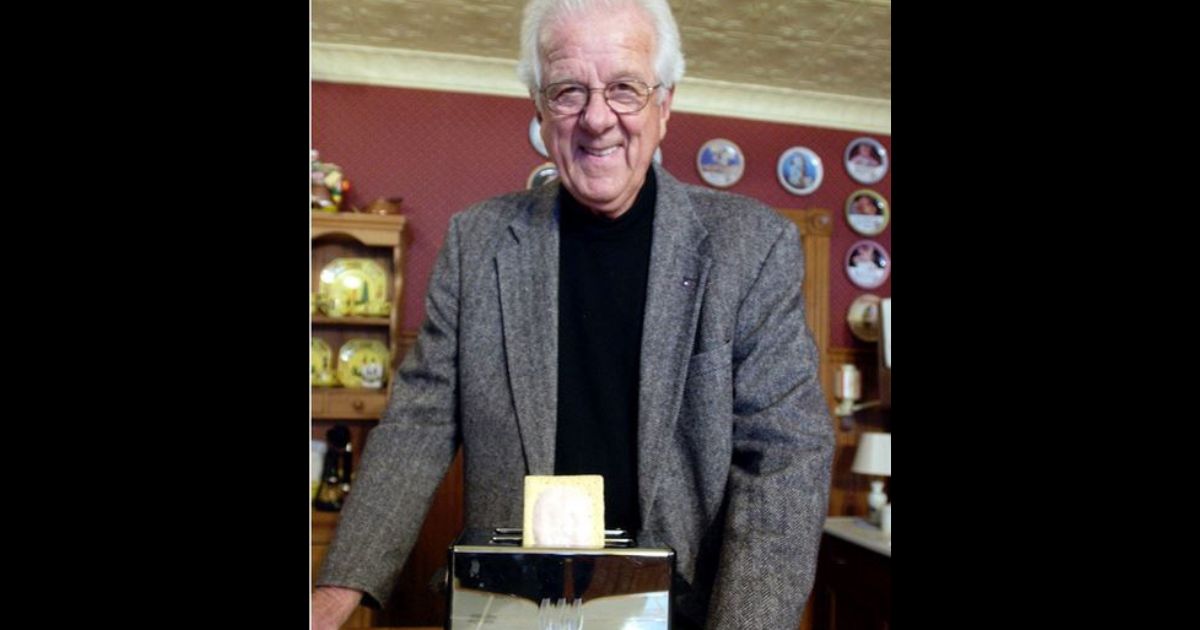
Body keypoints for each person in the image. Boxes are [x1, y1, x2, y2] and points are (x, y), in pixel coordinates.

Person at [312, 1, 833, 628]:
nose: (596, 118)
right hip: (510, 609)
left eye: (624, 88)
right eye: (568, 91)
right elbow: (416, 427)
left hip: (687, 613)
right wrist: (336, 591)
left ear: (664, 106)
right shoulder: (477, 241)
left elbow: (783, 457)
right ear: (539, 109)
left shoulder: (753, 246)